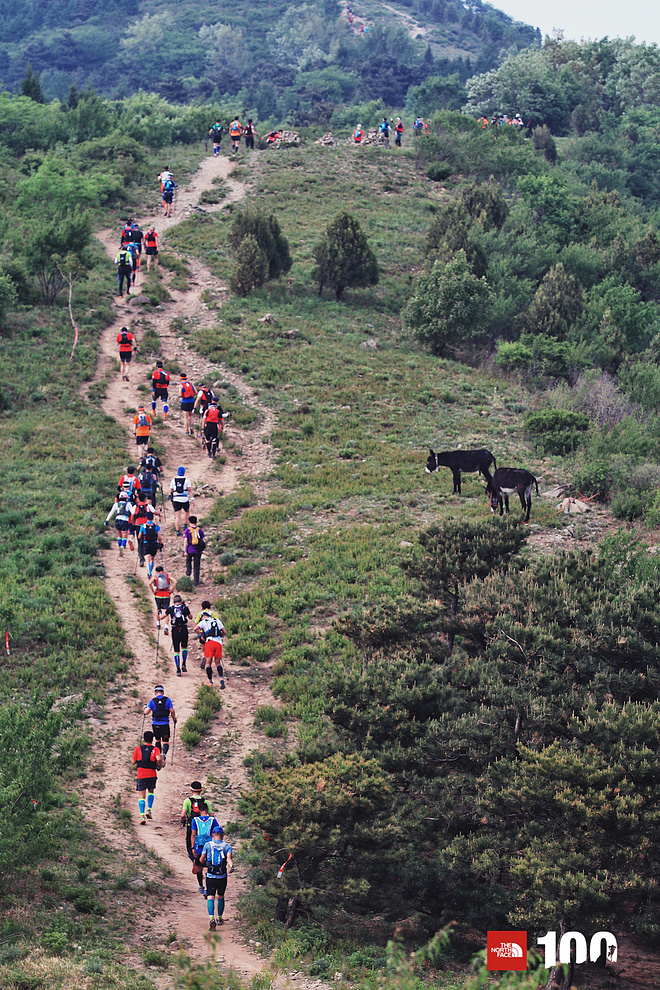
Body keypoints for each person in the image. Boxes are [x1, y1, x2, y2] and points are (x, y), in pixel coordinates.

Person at [180, 781, 213, 888]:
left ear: (191, 790)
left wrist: (183, 821)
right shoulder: (205, 802)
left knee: (190, 846)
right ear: (201, 790)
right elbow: (212, 815)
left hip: (192, 826)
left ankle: (196, 861)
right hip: (204, 830)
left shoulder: (187, 801)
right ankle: (202, 862)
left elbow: (182, 814)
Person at [200, 825, 234, 929]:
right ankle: (219, 918)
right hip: (222, 876)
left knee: (210, 896)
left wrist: (204, 862)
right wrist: (231, 866)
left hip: (210, 875)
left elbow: (202, 859)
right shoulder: (227, 846)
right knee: (220, 896)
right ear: (223, 835)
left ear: (213, 835)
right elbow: (228, 858)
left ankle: (211, 918)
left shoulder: (207, 845)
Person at [131, 729, 163, 825]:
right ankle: (149, 810)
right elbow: (158, 758)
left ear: (144, 739)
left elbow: (133, 762)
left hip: (141, 774)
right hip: (151, 774)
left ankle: (142, 816)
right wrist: (159, 765)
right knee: (151, 791)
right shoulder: (155, 749)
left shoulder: (138, 748)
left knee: (141, 796)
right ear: (152, 739)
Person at [190, 800, 221, 897]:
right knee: (208, 868)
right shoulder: (212, 820)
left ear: (198, 810)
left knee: (199, 867)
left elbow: (193, 834)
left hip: (199, 846)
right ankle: (208, 888)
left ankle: (201, 886)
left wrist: (192, 847)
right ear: (207, 809)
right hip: (210, 847)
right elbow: (217, 832)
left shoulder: (195, 820)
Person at [194, 601, 226, 687]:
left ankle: (210, 681)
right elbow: (224, 632)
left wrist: (201, 636)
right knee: (218, 663)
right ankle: (221, 679)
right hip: (218, 642)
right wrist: (220, 637)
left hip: (209, 642)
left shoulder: (204, 621)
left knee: (208, 663)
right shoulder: (217, 620)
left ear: (204, 616)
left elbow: (195, 628)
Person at [143, 685, 177, 766]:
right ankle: (164, 754)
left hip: (155, 724)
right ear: (163, 692)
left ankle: (157, 756)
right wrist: (174, 719)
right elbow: (171, 710)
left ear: (155, 693)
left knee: (157, 740)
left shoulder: (152, 701)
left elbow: (146, 712)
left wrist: (144, 708)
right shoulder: (167, 700)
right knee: (165, 741)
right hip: (165, 724)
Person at [166, 593, 192, 675]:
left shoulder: (170, 608)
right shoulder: (184, 608)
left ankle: (178, 669)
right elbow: (190, 617)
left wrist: (159, 614)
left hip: (175, 630)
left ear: (173, 602)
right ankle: (184, 663)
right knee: (184, 647)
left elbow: (163, 616)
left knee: (176, 651)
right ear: (181, 601)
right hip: (184, 629)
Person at [105, 492, 134, 557]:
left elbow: (111, 512)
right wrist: (133, 521)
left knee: (119, 535)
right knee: (125, 536)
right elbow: (133, 512)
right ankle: (122, 547)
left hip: (117, 520)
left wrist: (107, 520)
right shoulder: (128, 504)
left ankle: (119, 547)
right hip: (125, 520)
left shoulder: (116, 504)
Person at [169, 466, 193, 535]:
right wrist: (192, 498)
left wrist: (172, 500)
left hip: (176, 499)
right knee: (187, 511)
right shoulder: (187, 480)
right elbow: (189, 490)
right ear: (184, 472)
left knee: (177, 516)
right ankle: (185, 524)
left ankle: (177, 530)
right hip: (184, 499)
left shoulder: (173, 480)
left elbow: (171, 491)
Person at [139, 511, 163, 577]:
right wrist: (160, 544)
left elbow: (139, 536)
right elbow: (159, 537)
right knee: (152, 558)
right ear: (153, 517)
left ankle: (149, 573)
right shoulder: (156, 526)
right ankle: (150, 571)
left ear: (146, 517)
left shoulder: (143, 526)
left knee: (147, 559)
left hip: (146, 543)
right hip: (154, 544)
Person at [184, 515, 205, 587]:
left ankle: (188, 574)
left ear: (189, 522)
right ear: (196, 522)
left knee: (188, 561)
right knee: (196, 566)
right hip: (198, 550)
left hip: (190, 549)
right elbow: (203, 540)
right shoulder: (200, 530)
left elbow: (185, 541)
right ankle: (196, 582)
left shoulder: (187, 530)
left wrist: (185, 551)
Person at [150, 564, 172, 633]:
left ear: (156, 571)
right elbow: (175, 581)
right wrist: (172, 590)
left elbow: (149, 583)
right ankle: (166, 626)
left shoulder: (155, 576)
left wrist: (153, 591)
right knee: (166, 610)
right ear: (163, 570)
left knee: (158, 609)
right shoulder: (167, 575)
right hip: (166, 594)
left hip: (158, 594)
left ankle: (158, 623)